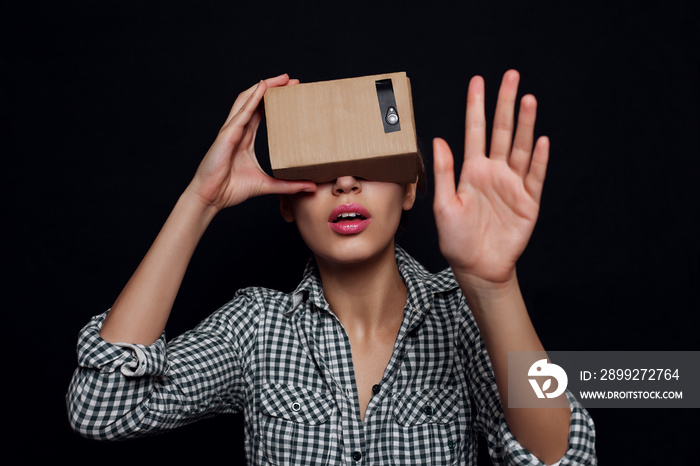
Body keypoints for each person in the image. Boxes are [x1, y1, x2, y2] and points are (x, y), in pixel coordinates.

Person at [67, 71, 596, 465]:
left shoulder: (462, 319)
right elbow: (102, 409)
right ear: (287, 203)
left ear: (411, 187)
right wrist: (200, 200)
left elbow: (564, 461)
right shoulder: (256, 327)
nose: (345, 183)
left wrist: (494, 288)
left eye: (369, 163)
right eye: (321, 171)